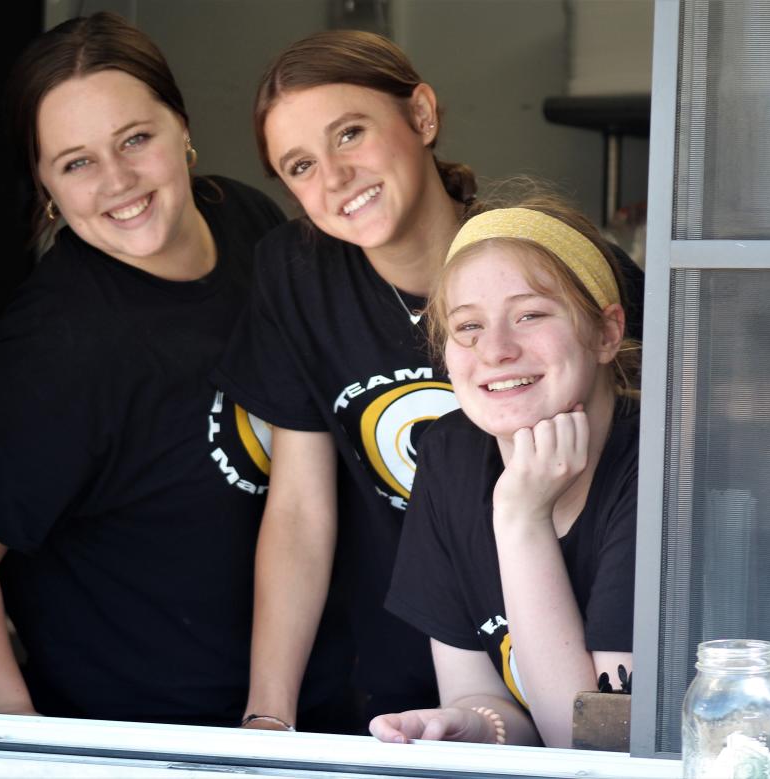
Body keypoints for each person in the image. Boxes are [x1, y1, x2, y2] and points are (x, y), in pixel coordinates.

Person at [0, 12, 348, 727]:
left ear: (182, 127)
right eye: (76, 162)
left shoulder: (250, 223)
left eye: (135, 139)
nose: (117, 181)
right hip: (147, 735)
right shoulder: (56, 344)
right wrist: (14, 729)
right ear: (47, 186)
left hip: (302, 713)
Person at [212, 30, 481, 732]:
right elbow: (300, 506)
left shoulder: (542, 260)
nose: (333, 179)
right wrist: (267, 717)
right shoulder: (297, 273)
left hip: (548, 675)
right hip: (394, 696)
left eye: (350, 133)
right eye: (300, 165)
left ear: (421, 116)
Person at [370, 195, 640, 748]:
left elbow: (590, 746)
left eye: (530, 315)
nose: (494, 350)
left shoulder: (663, 471)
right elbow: (480, 694)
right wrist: (473, 724)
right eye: (467, 326)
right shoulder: (450, 455)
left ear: (606, 333)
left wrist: (520, 517)